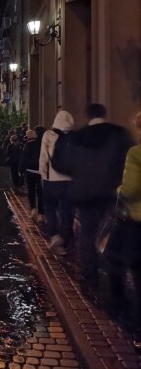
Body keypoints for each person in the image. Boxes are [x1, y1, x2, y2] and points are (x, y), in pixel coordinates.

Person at [66, 103, 134, 289]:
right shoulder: (119, 133)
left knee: (87, 235)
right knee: (112, 232)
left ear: (88, 116)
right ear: (104, 114)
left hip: (86, 195)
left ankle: (90, 275)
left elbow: (64, 164)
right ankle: (114, 276)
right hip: (111, 194)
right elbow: (129, 160)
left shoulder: (78, 136)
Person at [113, 112, 141, 338]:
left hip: (138, 221)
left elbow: (130, 189)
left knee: (138, 271)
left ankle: (137, 324)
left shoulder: (136, 153)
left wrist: (118, 191)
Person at [39, 110, 75, 255]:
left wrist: (43, 175)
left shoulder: (48, 134)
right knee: (67, 211)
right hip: (69, 181)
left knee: (50, 208)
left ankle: (54, 235)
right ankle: (63, 240)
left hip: (51, 180)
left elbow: (43, 158)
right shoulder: (74, 137)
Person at [19, 126, 46, 221]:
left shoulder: (29, 144)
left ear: (36, 133)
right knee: (41, 192)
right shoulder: (45, 144)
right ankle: (41, 213)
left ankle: (33, 208)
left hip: (30, 170)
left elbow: (24, 157)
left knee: (31, 191)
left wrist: (21, 170)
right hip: (42, 171)